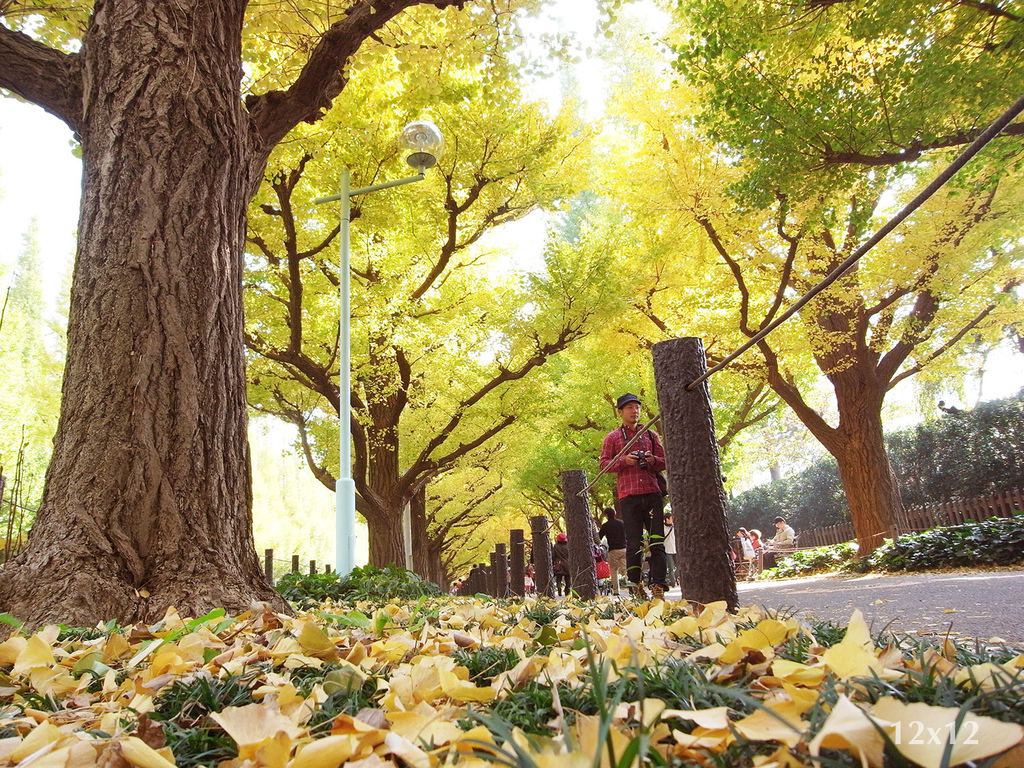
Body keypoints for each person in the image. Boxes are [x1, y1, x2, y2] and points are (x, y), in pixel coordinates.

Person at [599, 392, 669, 601]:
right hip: (628, 496)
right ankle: (635, 585)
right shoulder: (612, 438)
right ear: (620, 412)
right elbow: (603, 465)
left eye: (637, 407)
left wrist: (652, 459)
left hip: (652, 493)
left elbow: (665, 461)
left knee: (657, 541)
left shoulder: (650, 435)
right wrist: (624, 461)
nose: (634, 411)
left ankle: (658, 585)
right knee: (633, 543)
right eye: (629, 408)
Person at [598, 507, 627, 596]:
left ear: (606, 515)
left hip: (613, 550)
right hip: (624, 548)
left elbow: (599, 537)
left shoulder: (605, 525)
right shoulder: (622, 523)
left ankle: (616, 590)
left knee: (613, 570)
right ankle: (632, 587)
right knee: (626, 569)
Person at [551, 532, 570, 597]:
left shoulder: (555, 547)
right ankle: (567, 592)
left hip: (558, 564)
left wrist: (553, 562)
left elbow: (553, 556)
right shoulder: (568, 547)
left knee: (558, 578)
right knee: (568, 579)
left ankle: (559, 588)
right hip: (567, 565)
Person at [663, 513, 677, 587]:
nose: (672, 520)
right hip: (667, 550)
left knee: (679, 566)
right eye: (671, 518)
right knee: (671, 567)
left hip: (675, 549)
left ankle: (676, 578)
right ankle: (673, 582)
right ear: (667, 519)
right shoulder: (663, 528)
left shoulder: (674, 527)